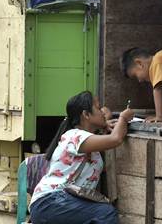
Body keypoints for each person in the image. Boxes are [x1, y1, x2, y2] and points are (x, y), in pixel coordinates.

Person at [29, 91, 134, 224]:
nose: (102, 111)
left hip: (60, 203)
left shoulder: (87, 140)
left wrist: (104, 121)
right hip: (49, 202)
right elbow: (115, 139)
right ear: (86, 114)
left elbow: (104, 130)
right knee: (105, 213)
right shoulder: (74, 136)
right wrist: (123, 118)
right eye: (97, 107)